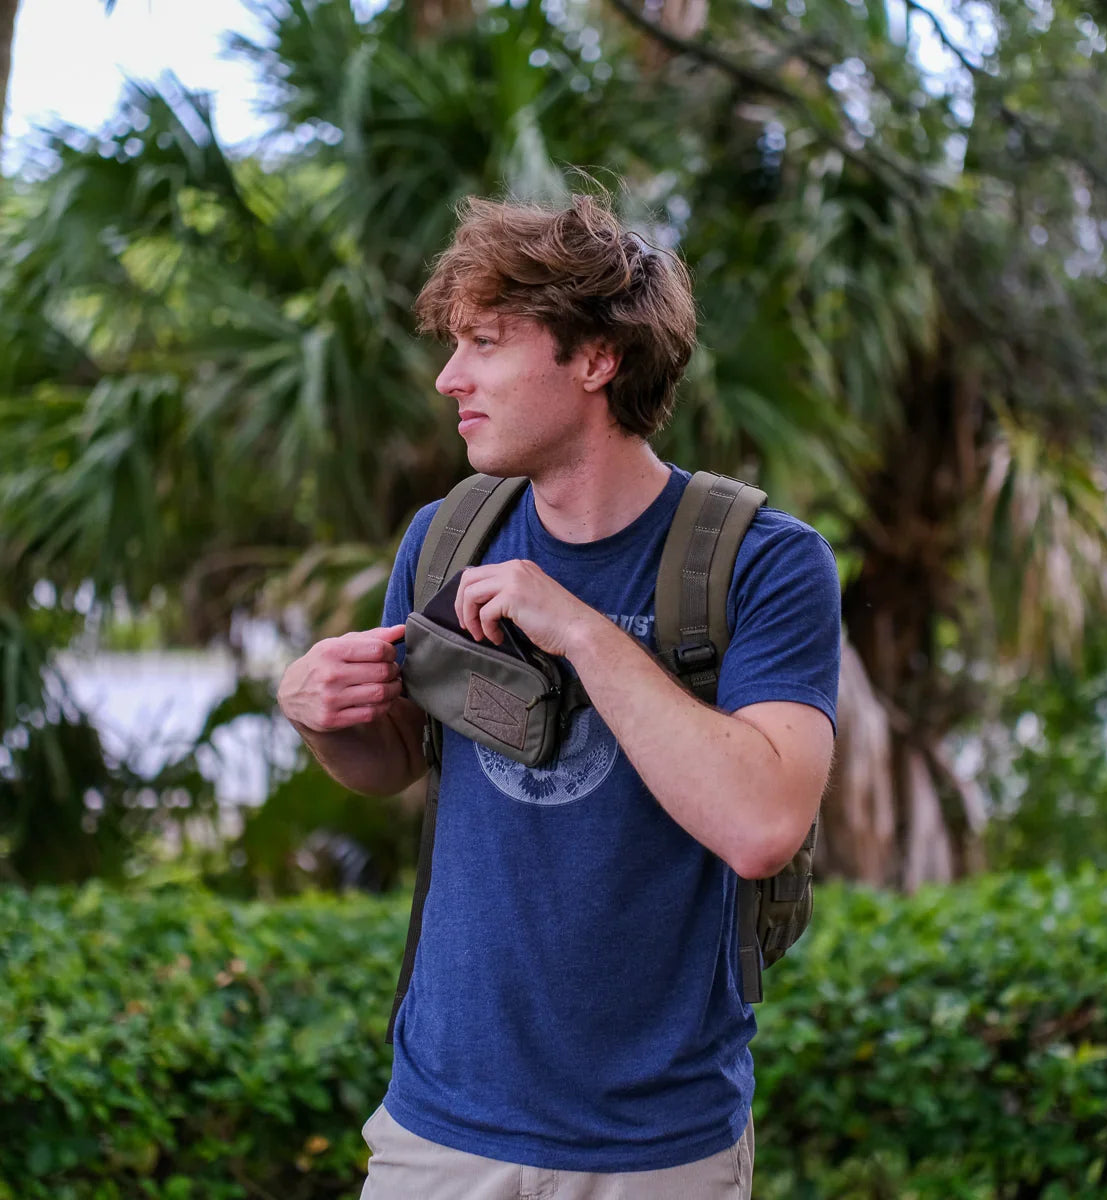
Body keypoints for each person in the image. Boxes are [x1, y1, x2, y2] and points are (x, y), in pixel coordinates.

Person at [276, 193, 840, 1199]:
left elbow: (763, 826)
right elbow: (392, 764)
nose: (451, 378)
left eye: (486, 343)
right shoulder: (444, 537)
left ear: (597, 359)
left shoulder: (767, 562)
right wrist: (325, 716)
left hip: (661, 1148)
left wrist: (578, 627)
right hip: (439, 1132)